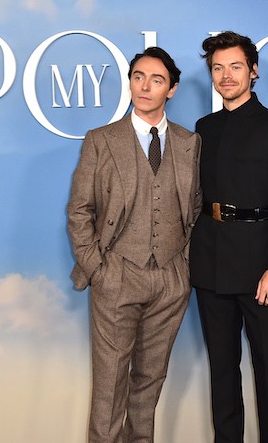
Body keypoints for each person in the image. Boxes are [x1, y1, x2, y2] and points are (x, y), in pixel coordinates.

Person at [67, 46, 201, 443]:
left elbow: (194, 208)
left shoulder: (190, 142)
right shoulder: (101, 140)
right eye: (138, 77)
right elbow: (79, 209)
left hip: (170, 280)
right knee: (109, 388)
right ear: (129, 82)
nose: (144, 86)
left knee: (149, 385)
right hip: (117, 275)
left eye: (156, 80)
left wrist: (184, 268)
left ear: (171, 90)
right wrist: (98, 269)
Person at [190, 31, 268, 443]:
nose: (226, 76)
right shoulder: (204, 128)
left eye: (235, 67)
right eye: (218, 68)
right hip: (210, 262)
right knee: (222, 370)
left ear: (253, 71)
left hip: (259, 267)